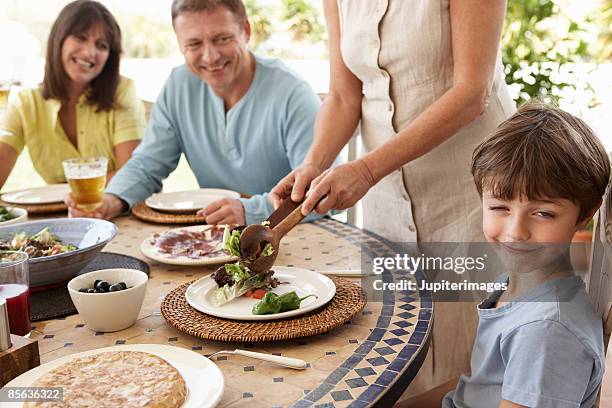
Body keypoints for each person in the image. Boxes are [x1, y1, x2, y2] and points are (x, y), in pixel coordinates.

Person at [270, 0, 516, 394]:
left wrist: (366, 169)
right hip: (385, 194)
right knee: (399, 355)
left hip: (473, 189)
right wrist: (314, 164)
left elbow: (473, 92)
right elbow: (343, 94)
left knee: (475, 359)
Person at [408, 102, 609, 407]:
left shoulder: (547, 332)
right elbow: (477, 382)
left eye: (543, 213)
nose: (515, 232)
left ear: (585, 215)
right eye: (500, 208)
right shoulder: (517, 284)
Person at [67, 0, 320, 225]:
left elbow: (319, 190)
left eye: (222, 38)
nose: (210, 57)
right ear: (180, 45)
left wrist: (250, 211)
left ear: (246, 31)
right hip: (215, 239)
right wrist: (111, 200)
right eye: (194, 44)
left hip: (298, 235)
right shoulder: (178, 85)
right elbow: (147, 165)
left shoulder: (292, 93)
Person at [0, 0, 145, 188]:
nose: (89, 52)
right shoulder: (26, 103)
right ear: (59, 39)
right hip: (57, 216)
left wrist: (74, 192)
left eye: (101, 45)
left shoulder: (122, 91)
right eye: (81, 37)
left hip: (117, 213)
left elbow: (132, 175)